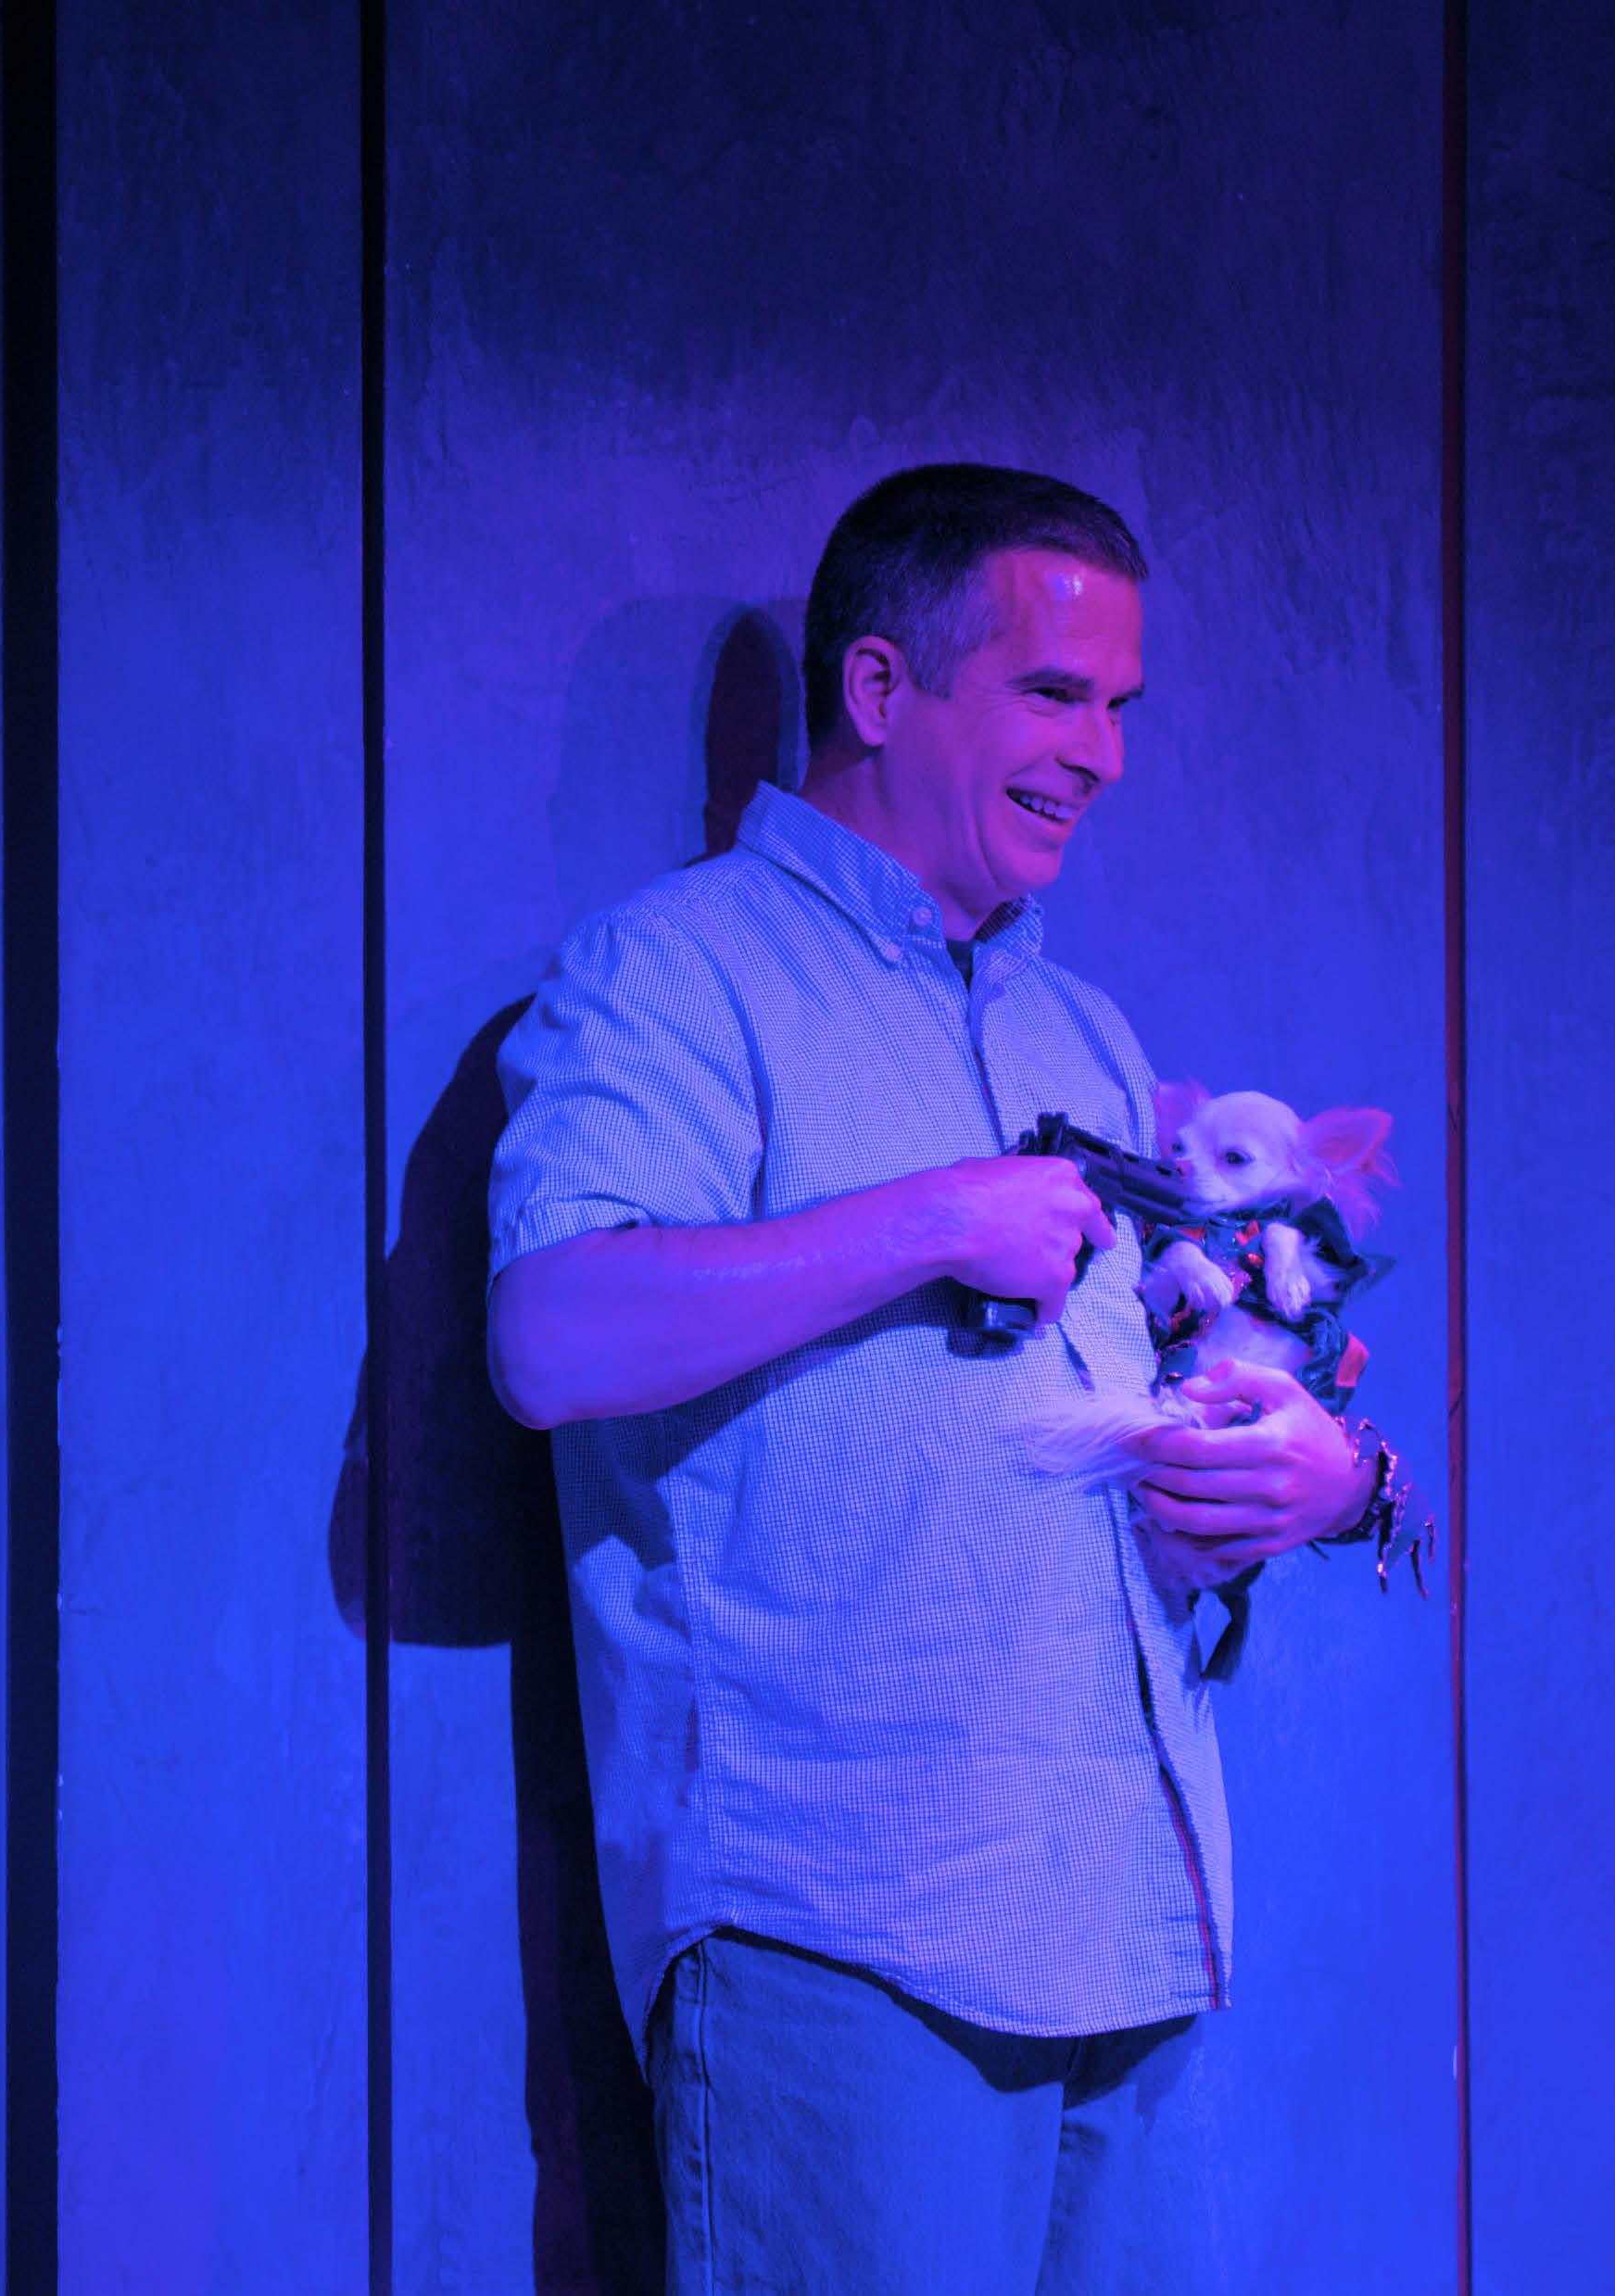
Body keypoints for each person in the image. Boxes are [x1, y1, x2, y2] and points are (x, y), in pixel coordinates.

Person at [484, 464, 1386, 2291]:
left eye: (1118, 706)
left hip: (1127, 1906)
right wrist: (928, 1218)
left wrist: (1274, 1493)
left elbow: (1060, 1461)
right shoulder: (679, 970)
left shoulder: (1080, 1027)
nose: (1102, 755)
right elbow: (554, 1332)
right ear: (881, 688)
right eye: (1054, 694)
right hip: (845, 1913)